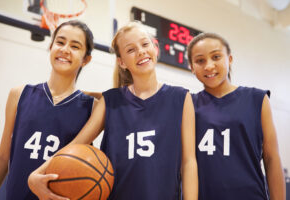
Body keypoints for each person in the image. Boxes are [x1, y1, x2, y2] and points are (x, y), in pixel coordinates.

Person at [28, 21, 198, 200]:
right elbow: (76, 144)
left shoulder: (180, 97)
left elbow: (188, 162)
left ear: (155, 48)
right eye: (130, 49)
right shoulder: (110, 101)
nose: (140, 51)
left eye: (145, 44)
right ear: (122, 62)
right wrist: (35, 176)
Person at [0, 20, 98, 200]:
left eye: (75, 46)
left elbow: (116, 98)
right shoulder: (19, 94)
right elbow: (2, 158)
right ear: (51, 46)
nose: (65, 49)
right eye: (60, 42)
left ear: (86, 59)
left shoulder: (92, 107)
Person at [187, 32, 286, 200]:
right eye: (200, 60)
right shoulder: (188, 104)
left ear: (229, 59)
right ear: (191, 67)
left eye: (216, 57)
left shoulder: (257, 98)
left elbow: (271, 158)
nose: (209, 66)